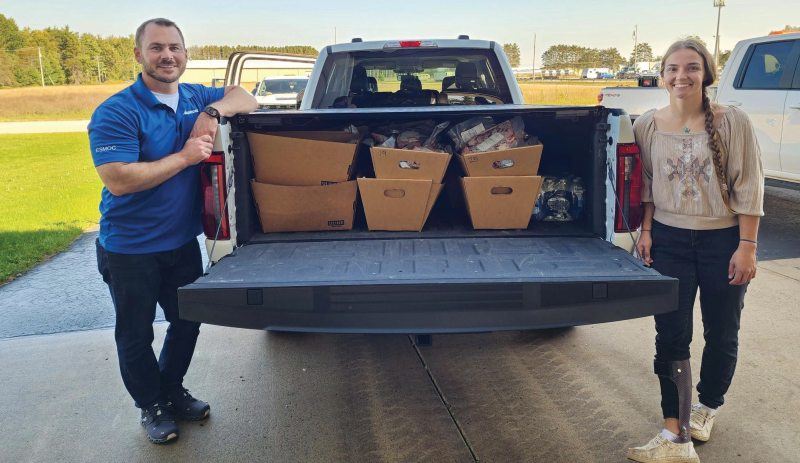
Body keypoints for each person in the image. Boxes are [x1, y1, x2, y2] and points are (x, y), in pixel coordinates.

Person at [88, 18, 257, 444]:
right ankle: (152, 405)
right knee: (135, 332)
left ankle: (170, 389)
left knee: (187, 321)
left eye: (175, 48)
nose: (168, 56)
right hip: (130, 248)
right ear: (138, 54)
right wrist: (185, 157)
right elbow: (120, 180)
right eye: (157, 47)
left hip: (181, 243)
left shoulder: (196, 96)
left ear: (186, 54)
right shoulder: (118, 111)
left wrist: (212, 111)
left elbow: (247, 97)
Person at [626, 39, 763, 463]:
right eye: (671, 68)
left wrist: (747, 246)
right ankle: (674, 432)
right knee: (670, 334)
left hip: (723, 240)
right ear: (662, 74)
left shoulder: (731, 121)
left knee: (721, 331)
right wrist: (645, 232)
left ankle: (707, 407)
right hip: (668, 239)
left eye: (691, 68)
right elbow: (647, 185)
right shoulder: (647, 123)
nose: (680, 76)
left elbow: (749, 186)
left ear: (707, 74)